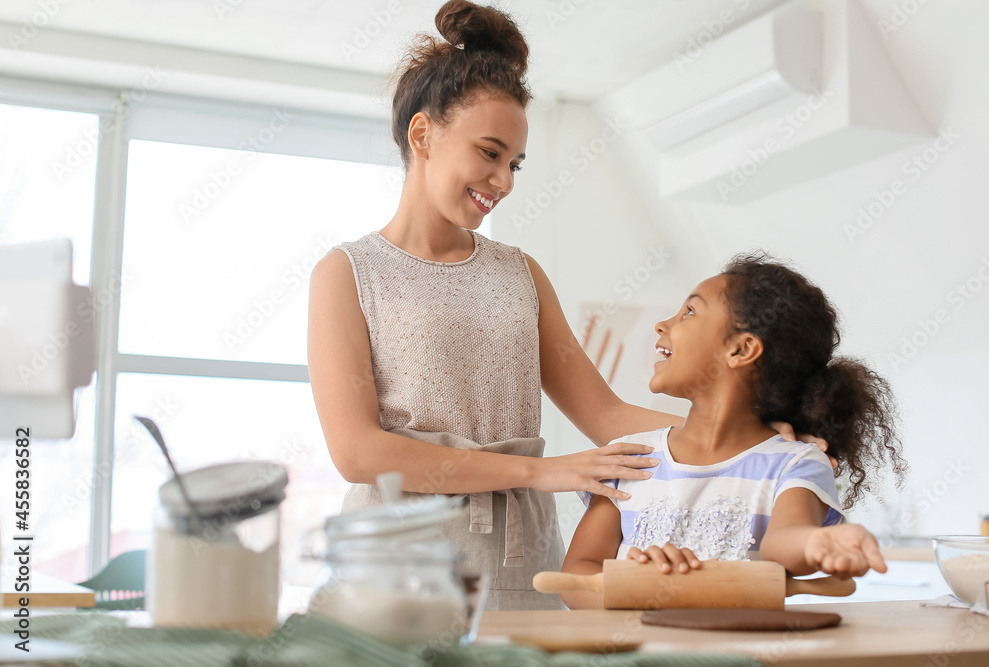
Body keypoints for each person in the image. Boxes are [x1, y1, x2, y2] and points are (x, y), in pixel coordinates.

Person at [307, 1, 830, 611]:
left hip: (521, 562)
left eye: (515, 163)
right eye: (489, 152)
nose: (503, 181)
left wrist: (745, 437)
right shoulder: (348, 274)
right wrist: (541, 472)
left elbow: (604, 414)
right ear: (423, 134)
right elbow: (358, 452)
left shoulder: (520, 273)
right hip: (394, 569)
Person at [558, 252, 908, 609]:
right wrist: (635, 587)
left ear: (741, 349)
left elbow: (784, 542)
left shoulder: (794, 463)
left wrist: (816, 545)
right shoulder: (628, 457)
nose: (662, 324)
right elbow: (574, 575)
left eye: (689, 312)